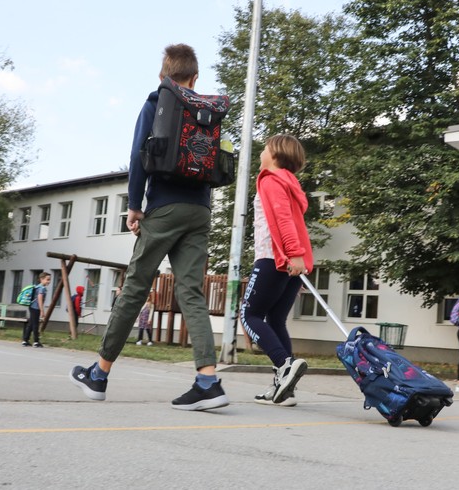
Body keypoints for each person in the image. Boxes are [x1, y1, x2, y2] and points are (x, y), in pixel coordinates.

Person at [70, 44, 228, 411]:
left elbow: (138, 156)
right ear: (195, 77)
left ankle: (99, 374)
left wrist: (135, 206)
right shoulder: (208, 109)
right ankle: (208, 381)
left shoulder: (157, 102)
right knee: (191, 291)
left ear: (164, 76)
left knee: (136, 287)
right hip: (200, 209)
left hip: (164, 208)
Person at [240, 134, 312, 407]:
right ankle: (285, 389)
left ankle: (285, 366)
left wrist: (293, 255)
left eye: (265, 148)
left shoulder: (271, 179)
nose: (261, 152)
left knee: (249, 315)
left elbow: (282, 220)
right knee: (275, 319)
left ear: (276, 154)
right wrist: (299, 260)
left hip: (275, 258)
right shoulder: (290, 183)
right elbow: (295, 223)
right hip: (292, 262)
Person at [23, 272, 50, 348]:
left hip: (32, 306)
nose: (49, 281)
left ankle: (25, 340)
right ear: (41, 279)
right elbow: (40, 299)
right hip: (36, 308)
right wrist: (42, 310)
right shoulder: (42, 288)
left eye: (49, 280)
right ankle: (36, 341)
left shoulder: (37, 287)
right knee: (35, 325)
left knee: (31, 324)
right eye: (47, 279)